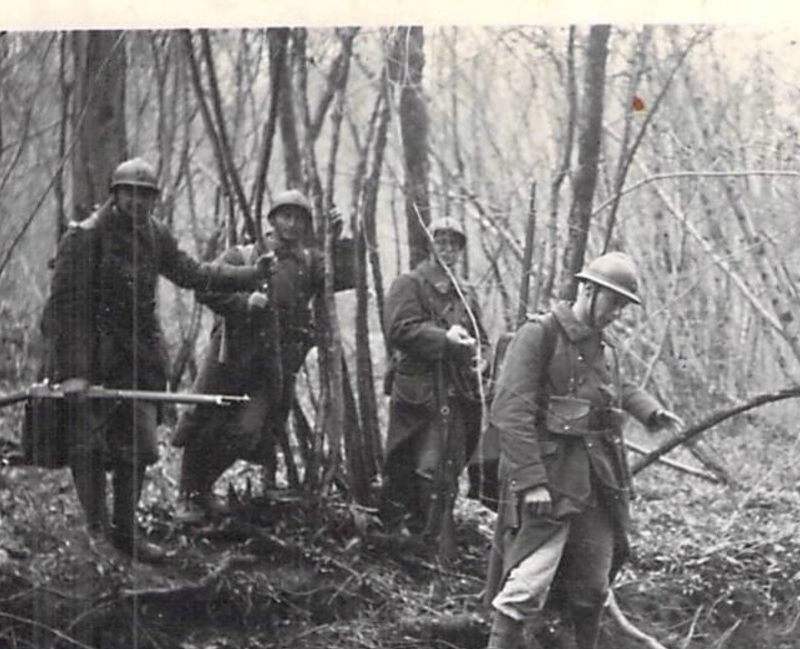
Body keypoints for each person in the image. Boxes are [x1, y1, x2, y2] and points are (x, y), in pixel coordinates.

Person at [476, 251, 682, 649]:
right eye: (612, 302)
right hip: (549, 478)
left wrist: (650, 411)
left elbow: (616, 390)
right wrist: (530, 481)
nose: (616, 314)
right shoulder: (539, 334)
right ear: (587, 290)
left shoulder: (603, 348)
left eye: (623, 307)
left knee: (593, 584)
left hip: (597, 480)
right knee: (528, 581)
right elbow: (510, 410)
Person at [39, 157, 267, 561]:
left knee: (138, 447)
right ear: (116, 194)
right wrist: (73, 373)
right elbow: (61, 311)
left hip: (139, 359)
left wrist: (249, 276)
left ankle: (126, 534)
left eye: (146, 196)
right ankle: (96, 533)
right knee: (88, 446)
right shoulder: (86, 237)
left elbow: (194, 273)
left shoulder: (154, 235)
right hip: (90, 358)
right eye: (130, 193)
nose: (138, 202)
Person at [171, 190, 354, 523]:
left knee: (247, 431)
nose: (293, 224)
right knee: (205, 421)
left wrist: (335, 242)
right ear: (271, 219)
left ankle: (203, 487)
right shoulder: (243, 255)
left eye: (300, 218)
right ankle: (189, 496)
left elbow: (344, 277)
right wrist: (243, 304)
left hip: (272, 364)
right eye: (286, 216)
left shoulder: (308, 262)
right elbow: (205, 288)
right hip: (230, 357)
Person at [379, 217, 487, 548]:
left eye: (454, 244)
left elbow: (481, 337)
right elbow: (399, 329)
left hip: (456, 392)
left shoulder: (465, 292)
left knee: (445, 469)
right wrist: (444, 338)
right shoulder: (410, 284)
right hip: (419, 393)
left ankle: (437, 539)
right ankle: (414, 537)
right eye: (441, 242)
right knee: (418, 466)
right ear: (430, 244)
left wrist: (482, 360)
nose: (448, 249)